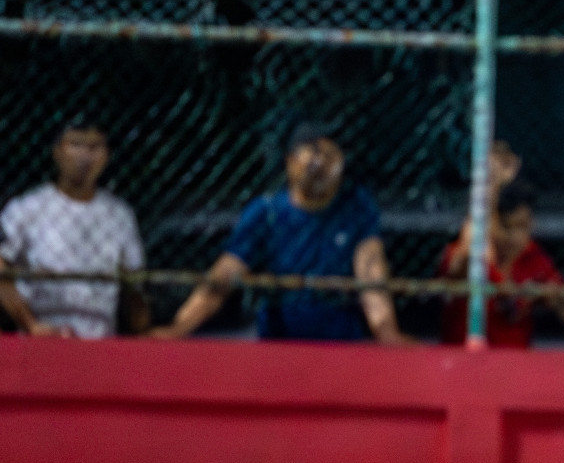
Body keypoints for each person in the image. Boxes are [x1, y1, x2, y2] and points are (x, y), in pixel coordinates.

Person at [151, 120, 409, 343]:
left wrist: (387, 332)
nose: (321, 164)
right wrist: (179, 328)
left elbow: (371, 270)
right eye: (312, 154)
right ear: (290, 162)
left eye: (331, 155)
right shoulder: (267, 213)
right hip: (280, 347)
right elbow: (226, 273)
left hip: (341, 347)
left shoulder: (356, 206)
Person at [0, 118, 147, 338]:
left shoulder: (120, 215)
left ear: (106, 156)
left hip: (100, 337)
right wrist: (30, 324)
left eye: (94, 147)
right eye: (76, 145)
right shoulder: (27, 208)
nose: (85, 156)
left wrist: (142, 334)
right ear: (57, 152)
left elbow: (134, 287)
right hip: (43, 335)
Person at [440, 181, 564, 350]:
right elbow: (457, 266)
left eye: (523, 226)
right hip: (462, 365)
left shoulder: (534, 259)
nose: (517, 237)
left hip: (516, 368)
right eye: (508, 228)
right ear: (493, 225)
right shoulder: (468, 256)